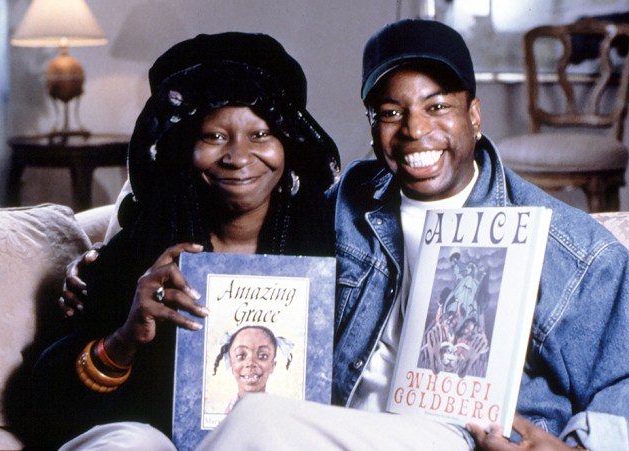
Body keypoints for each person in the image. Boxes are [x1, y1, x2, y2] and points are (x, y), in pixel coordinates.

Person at [197, 19, 629, 450]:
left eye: (437, 106)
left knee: (255, 417)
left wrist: (577, 449)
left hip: (464, 438)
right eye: (391, 112)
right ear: (372, 126)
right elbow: (264, 262)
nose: (415, 130)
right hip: (339, 428)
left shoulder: (570, 248)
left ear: (474, 115)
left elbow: (621, 377)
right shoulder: (349, 199)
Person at [28, 31, 339, 450]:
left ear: (290, 145)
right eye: (213, 136)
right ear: (182, 149)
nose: (238, 156)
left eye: (261, 134)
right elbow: (44, 403)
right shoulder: (139, 253)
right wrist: (125, 338)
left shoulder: (334, 241)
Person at [212, 325, 292, 413]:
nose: (250, 363)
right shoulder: (226, 413)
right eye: (241, 356)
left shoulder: (277, 412)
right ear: (231, 364)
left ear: (272, 365)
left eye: (262, 356)